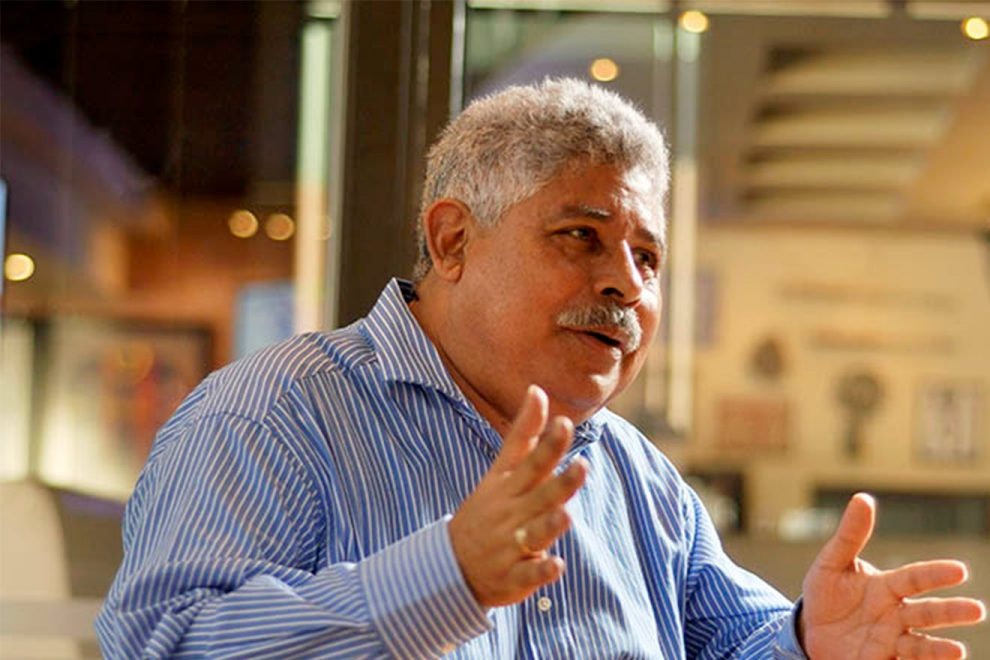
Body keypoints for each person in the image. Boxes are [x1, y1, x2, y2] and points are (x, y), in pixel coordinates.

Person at [96, 78, 985, 659]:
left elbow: (729, 642)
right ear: (453, 240)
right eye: (581, 237)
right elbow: (163, 644)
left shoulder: (637, 476)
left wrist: (808, 642)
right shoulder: (273, 414)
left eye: (647, 257)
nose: (625, 284)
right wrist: (443, 577)